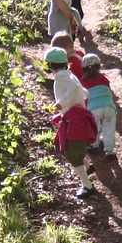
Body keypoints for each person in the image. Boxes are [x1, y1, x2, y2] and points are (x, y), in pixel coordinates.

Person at [44, 46, 98, 197]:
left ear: (51, 65)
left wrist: (61, 103)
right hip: (76, 118)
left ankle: (87, 185)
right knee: (69, 148)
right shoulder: (68, 74)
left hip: (75, 121)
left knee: (72, 153)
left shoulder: (61, 77)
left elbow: (74, 88)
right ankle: (87, 167)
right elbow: (83, 92)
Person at [80, 53, 118, 157]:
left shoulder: (83, 81)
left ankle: (94, 145)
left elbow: (83, 98)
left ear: (83, 69)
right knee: (109, 128)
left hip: (93, 109)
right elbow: (110, 93)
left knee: (94, 127)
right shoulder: (104, 79)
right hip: (109, 106)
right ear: (99, 66)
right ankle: (109, 151)